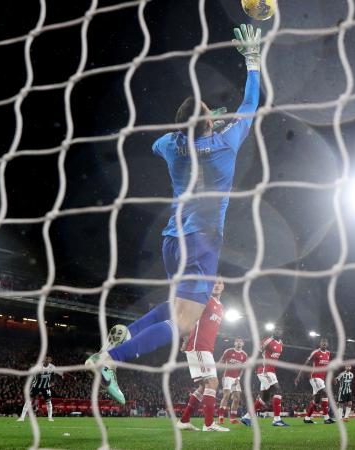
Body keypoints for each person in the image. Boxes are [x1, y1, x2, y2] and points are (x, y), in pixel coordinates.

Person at [84, 24, 263, 405]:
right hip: (202, 243)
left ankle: (128, 334)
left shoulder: (169, 144)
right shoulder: (224, 144)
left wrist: (194, 126)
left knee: (177, 306)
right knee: (185, 321)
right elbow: (250, 105)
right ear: (210, 124)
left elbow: (157, 142)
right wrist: (252, 60)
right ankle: (111, 357)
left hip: (171, 239)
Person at [176, 279, 228, 432]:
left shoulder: (221, 306)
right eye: (214, 283)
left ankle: (184, 421)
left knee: (203, 386)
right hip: (198, 346)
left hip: (207, 348)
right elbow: (190, 319)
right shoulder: (204, 300)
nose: (217, 285)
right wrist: (185, 339)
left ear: (224, 286)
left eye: (220, 283)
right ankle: (209, 424)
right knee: (213, 382)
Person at [242, 325, 290, 427]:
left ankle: (246, 417)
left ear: (282, 332)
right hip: (264, 370)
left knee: (265, 398)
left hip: (271, 371)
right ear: (273, 331)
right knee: (278, 391)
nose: (278, 331)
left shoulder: (281, 344)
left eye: (280, 329)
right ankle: (277, 420)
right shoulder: (267, 340)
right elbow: (257, 352)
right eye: (276, 329)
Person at [295, 338, 335, 424]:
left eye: (325, 343)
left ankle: (307, 418)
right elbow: (306, 364)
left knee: (316, 400)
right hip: (315, 377)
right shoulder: (315, 352)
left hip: (321, 379)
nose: (324, 344)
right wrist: (298, 376)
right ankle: (326, 418)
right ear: (320, 344)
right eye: (322, 342)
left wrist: (333, 377)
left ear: (327, 344)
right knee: (325, 393)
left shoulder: (328, 353)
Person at [17, 356, 65, 422]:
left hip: (46, 387)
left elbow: (58, 373)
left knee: (48, 401)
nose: (47, 361)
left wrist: (61, 374)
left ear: (50, 360)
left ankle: (50, 418)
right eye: (45, 359)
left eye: (48, 360)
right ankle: (22, 417)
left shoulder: (52, 367)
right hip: (36, 386)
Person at [217, 337, 247, 424]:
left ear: (243, 344)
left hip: (236, 378)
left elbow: (242, 369)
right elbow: (221, 361)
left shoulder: (244, 355)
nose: (239, 343)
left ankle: (233, 418)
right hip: (227, 376)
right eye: (237, 341)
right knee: (226, 395)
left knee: (237, 398)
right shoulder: (228, 351)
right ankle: (221, 417)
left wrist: (238, 378)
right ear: (234, 343)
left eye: (240, 342)